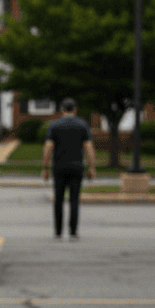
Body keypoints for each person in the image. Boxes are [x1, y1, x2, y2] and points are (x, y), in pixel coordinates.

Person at [41, 99, 96, 239]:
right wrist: (92, 167)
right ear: (75, 110)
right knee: (74, 200)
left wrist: (45, 167)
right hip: (77, 167)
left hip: (59, 167)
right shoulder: (83, 125)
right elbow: (88, 147)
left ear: (62, 110)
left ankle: (58, 231)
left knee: (58, 199)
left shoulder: (54, 125)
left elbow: (48, 147)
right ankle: (73, 231)